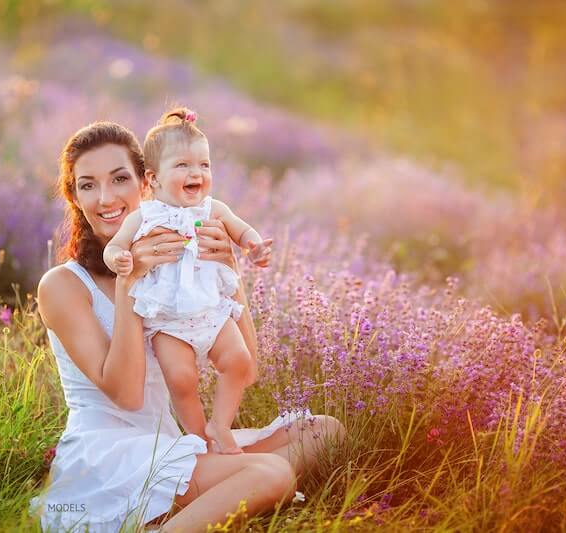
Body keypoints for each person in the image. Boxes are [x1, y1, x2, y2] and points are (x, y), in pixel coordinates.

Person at [29, 120, 345, 532]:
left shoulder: (177, 267)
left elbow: (246, 368)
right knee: (272, 473)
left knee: (325, 432)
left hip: (170, 445)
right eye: (88, 185)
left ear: (147, 183)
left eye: (119, 179)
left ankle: (197, 504)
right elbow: (126, 394)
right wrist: (130, 281)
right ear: (74, 196)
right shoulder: (64, 285)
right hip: (111, 454)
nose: (105, 198)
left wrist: (228, 271)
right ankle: (193, 509)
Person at [103, 107, 272, 455]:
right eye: (182, 165)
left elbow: (242, 231)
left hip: (211, 310)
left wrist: (253, 248)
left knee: (239, 361)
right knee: (181, 380)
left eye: (204, 165)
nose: (197, 173)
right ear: (152, 180)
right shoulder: (144, 215)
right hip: (168, 321)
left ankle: (220, 425)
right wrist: (119, 259)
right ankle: (199, 440)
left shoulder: (213, 209)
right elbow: (116, 244)